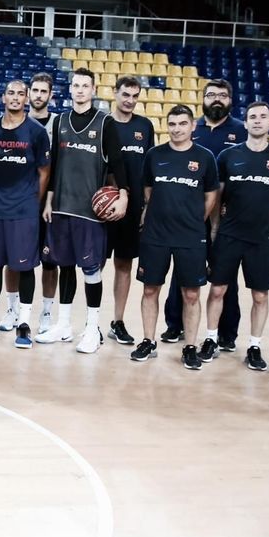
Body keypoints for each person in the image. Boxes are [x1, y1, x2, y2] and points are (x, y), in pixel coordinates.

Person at [39, 68, 129, 353]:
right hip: (63, 207)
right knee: (65, 265)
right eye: (75, 85)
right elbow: (55, 166)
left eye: (85, 85)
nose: (79, 90)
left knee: (91, 271)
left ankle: (92, 328)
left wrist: (124, 195)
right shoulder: (61, 121)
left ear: (93, 89)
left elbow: (118, 163)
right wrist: (50, 199)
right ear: (71, 88)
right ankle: (64, 325)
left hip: (90, 212)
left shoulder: (106, 123)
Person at [130, 105, 219, 370]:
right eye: (172, 124)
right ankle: (149, 340)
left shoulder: (205, 157)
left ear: (193, 126)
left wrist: (193, 219)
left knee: (191, 294)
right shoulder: (154, 155)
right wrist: (161, 213)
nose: (177, 128)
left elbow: (211, 195)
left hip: (191, 237)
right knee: (150, 289)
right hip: (155, 235)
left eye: (182, 123)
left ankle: (190, 346)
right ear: (166, 126)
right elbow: (148, 190)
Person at [204, 102, 269, 370]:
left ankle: (254, 345)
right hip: (229, 234)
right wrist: (215, 229)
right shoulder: (229, 157)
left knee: (260, 296)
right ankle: (210, 339)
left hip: (262, 238)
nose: (257, 121)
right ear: (245, 123)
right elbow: (216, 198)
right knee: (217, 290)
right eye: (252, 117)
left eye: (263, 117)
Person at [162, 79, 247, 346]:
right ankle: (175, 325)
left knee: (224, 274)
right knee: (183, 272)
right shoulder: (192, 128)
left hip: (227, 217)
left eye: (222, 95)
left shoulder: (241, 132)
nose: (216, 99)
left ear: (230, 100)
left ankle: (226, 332)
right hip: (190, 215)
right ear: (203, 99)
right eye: (211, 95)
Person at [0, 79, 51, 350]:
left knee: (24, 265)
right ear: (3, 98)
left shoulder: (37, 131)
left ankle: (24, 323)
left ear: (27, 99)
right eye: (11, 93)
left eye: (22, 94)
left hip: (24, 209)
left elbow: (44, 171)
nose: (16, 98)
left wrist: (34, 201)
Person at [105, 77, 155, 347]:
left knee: (124, 265)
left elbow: (149, 173)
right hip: (103, 207)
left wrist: (146, 207)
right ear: (115, 93)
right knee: (94, 266)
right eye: (125, 94)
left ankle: (118, 321)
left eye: (135, 96)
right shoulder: (103, 123)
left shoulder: (144, 126)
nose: (130, 100)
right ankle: (91, 322)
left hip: (133, 208)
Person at [22, 71, 58, 333]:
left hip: (49, 204)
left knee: (49, 260)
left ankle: (46, 311)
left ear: (51, 95)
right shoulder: (17, 122)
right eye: (35, 90)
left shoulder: (58, 125)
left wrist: (50, 199)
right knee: (17, 258)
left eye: (43, 91)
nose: (38, 95)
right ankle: (14, 310)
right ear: (28, 94)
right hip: (20, 202)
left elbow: (58, 167)